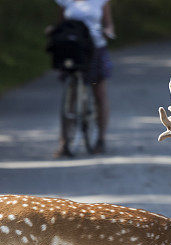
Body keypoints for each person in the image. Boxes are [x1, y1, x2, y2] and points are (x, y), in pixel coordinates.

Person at [54, 0, 115, 156]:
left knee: (99, 92)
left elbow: (108, 24)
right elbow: (61, 24)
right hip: (75, 49)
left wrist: (108, 31)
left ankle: (101, 139)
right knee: (71, 96)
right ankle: (64, 142)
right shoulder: (65, 1)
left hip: (95, 48)